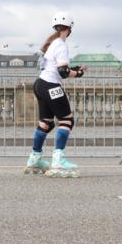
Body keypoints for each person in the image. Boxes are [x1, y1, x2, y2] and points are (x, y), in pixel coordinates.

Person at [24, 12, 86, 177]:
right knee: (67, 120)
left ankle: (34, 159)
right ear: (69, 29)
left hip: (40, 84)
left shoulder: (52, 44)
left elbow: (59, 68)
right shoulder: (61, 45)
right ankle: (58, 161)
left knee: (46, 123)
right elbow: (63, 72)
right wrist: (79, 74)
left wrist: (75, 70)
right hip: (51, 85)